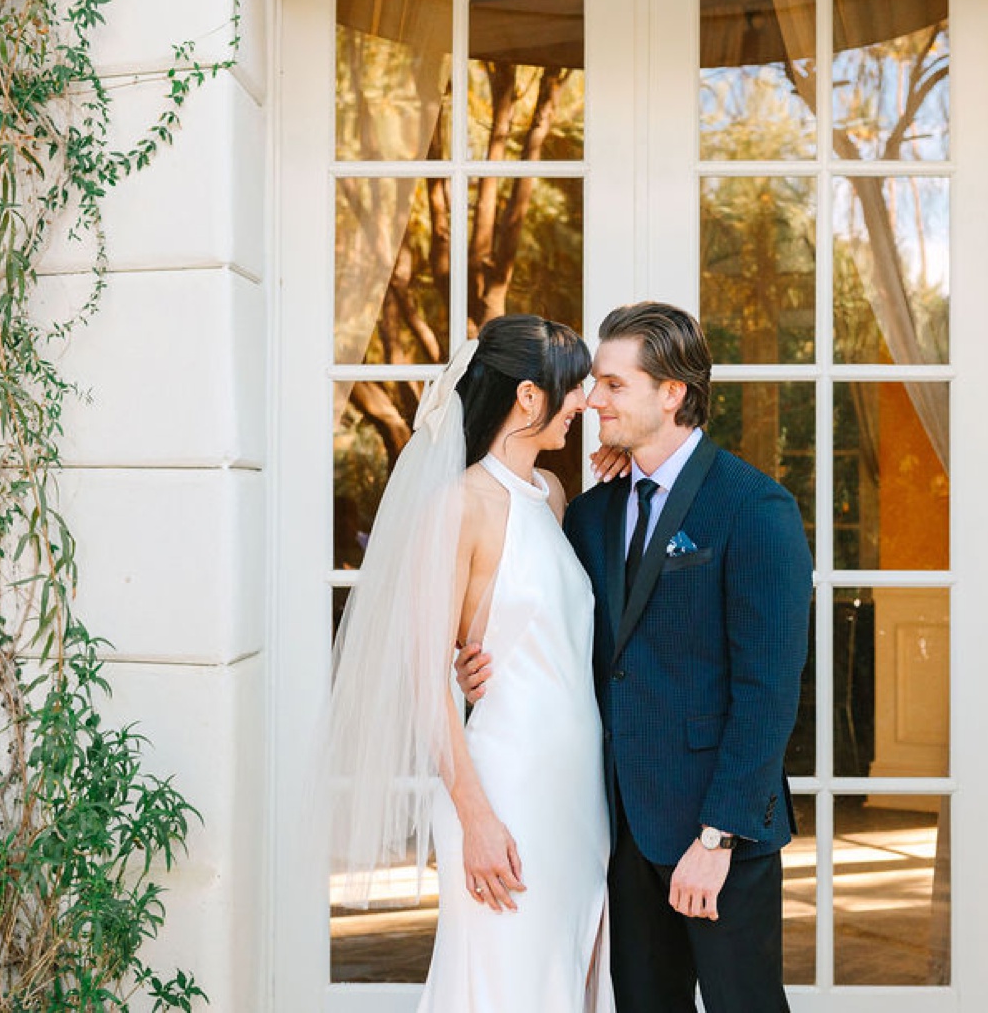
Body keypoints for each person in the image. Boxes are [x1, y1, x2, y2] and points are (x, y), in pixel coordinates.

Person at [460, 301, 813, 1013]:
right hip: (616, 831)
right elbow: (553, 633)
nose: (592, 399)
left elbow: (768, 692)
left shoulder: (755, 508)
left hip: (720, 836)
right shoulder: (589, 513)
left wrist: (717, 838)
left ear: (673, 392)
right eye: (595, 383)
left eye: (615, 386)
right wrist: (471, 669)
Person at [327, 314, 613, 1013]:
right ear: (527, 396)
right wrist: (476, 818)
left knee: (566, 978)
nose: (583, 402)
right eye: (573, 387)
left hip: (577, 794)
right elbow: (426, 681)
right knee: (503, 985)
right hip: (503, 793)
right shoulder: (459, 507)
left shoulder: (551, 494)